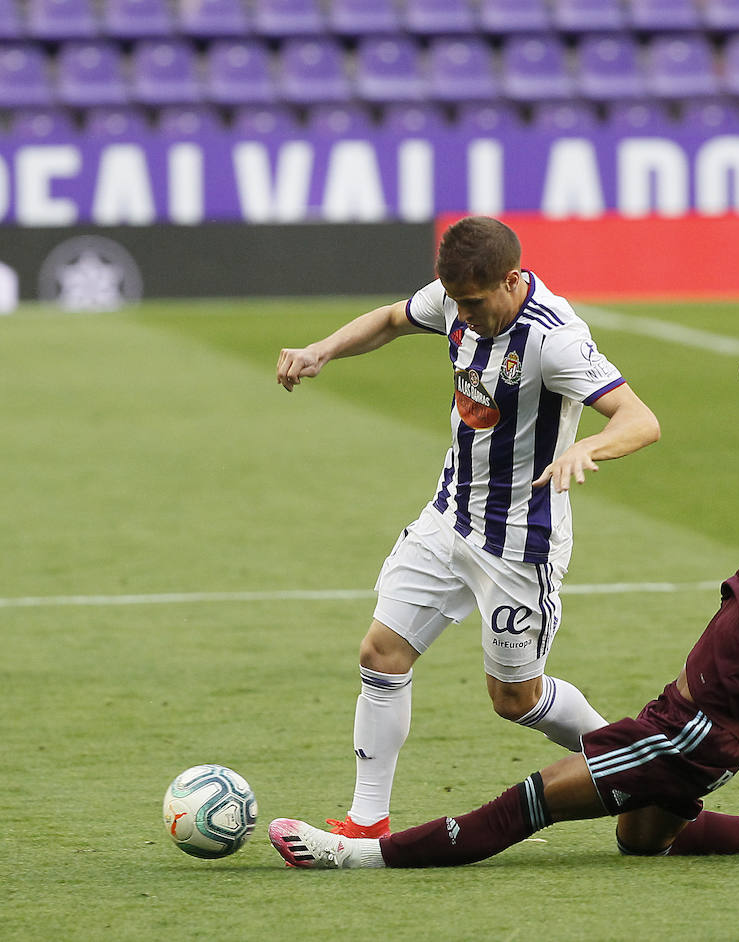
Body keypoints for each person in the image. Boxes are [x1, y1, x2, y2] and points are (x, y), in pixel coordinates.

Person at [266, 357, 739, 868]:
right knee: (644, 840)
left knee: (537, 799)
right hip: (711, 733)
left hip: (689, 729)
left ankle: (362, 854)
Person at [275, 216, 661, 838]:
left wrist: (587, 449)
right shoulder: (457, 299)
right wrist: (322, 350)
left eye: (474, 304)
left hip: (519, 542)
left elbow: (640, 419)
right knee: (381, 652)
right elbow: (394, 319)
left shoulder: (554, 339)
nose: (463, 315)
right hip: (449, 518)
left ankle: (645, 767)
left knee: (516, 701)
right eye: (455, 301)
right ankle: (368, 819)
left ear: (511, 281)